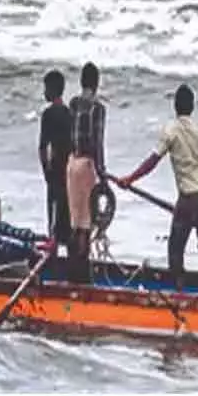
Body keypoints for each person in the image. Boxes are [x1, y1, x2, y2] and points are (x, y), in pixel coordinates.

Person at [117, 84, 198, 293]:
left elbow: (153, 161)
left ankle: (180, 294)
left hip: (188, 197)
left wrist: (130, 179)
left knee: (175, 249)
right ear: (192, 107)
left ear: (175, 106)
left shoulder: (171, 131)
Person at [66, 61, 106, 283]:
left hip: (71, 163)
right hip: (87, 165)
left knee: (75, 219)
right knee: (86, 222)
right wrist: (103, 175)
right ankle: (81, 272)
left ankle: (73, 266)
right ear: (96, 83)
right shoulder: (97, 108)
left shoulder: (73, 104)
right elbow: (97, 143)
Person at [0, 192, 53, 275]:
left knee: (20, 260)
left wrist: (42, 238)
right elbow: (5, 246)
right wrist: (32, 248)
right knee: (22, 269)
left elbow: (16, 232)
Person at [38, 69, 72, 251]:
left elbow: (43, 146)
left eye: (45, 88)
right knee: (65, 217)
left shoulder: (48, 114)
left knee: (53, 218)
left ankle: (52, 255)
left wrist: (46, 171)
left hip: (55, 171)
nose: (44, 92)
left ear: (51, 89)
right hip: (69, 171)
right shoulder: (69, 113)